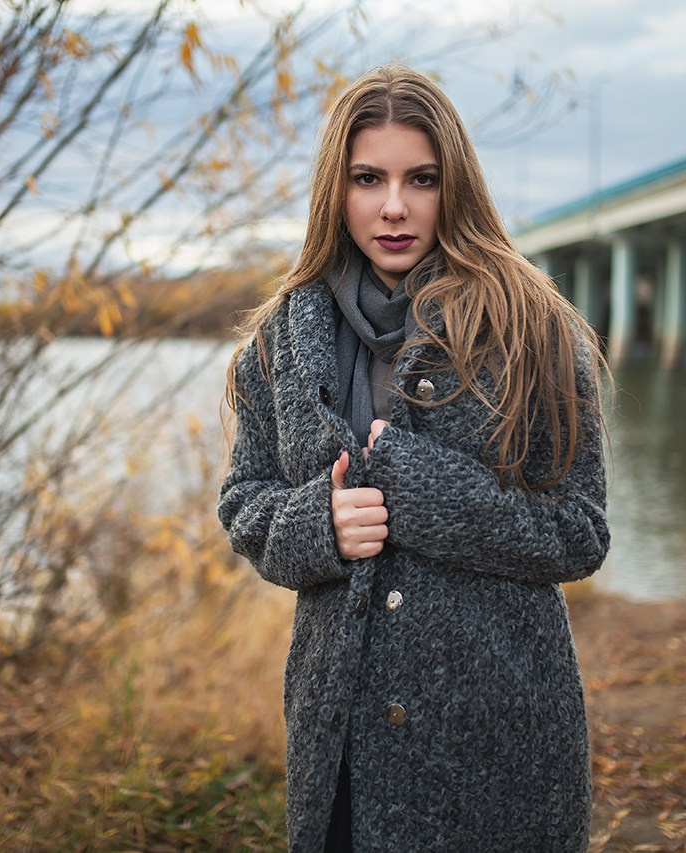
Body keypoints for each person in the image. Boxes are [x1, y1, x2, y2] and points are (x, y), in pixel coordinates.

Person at [218, 65, 610, 852]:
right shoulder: (280, 339)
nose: (394, 206)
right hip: (341, 741)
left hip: (498, 741)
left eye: (420, 179)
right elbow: (243, 503)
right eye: (369, 178)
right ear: (338, 187)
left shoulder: (531, 327)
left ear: (452, 186)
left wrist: (414, 484)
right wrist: (315, 525)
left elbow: (579, 531)